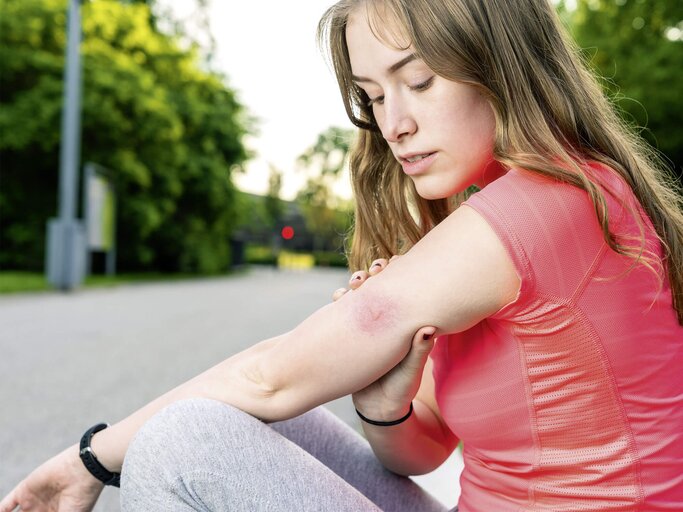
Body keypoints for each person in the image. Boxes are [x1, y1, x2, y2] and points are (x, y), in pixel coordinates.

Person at [2, 0, 682, 510]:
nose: (395, 123)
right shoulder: (534, 202)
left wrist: (85, 461)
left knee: (184, 444)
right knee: (251, 417)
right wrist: (384, 405)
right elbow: (424, 447)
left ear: (500, 64)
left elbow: (270, 374)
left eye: (418, 81)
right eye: (373, 96)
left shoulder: (541, 207)